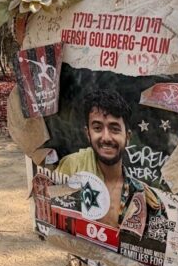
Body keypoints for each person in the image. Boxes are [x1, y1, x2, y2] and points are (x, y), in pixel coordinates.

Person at [55, 88, 158, 227]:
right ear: (88, 134)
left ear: (127, 137)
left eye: (114, 129)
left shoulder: (141, 196)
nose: (106, 138)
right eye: (97, 128)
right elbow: (50, 217)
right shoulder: (71, 169)